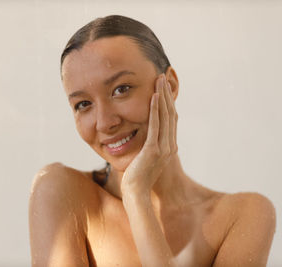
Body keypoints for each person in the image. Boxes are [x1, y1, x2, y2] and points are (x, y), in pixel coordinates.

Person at [28, 15, 276, 266]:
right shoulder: (61, 192)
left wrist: (136, 196)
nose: (104, 123)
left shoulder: (243, 214)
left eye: (121, 89)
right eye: (83, 104)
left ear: (169, 85)